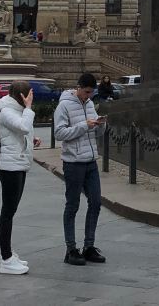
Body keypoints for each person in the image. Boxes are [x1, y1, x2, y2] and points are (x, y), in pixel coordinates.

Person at [53, 72, 106, 266]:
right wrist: (85, 125)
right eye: (86, 92)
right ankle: (71, 249)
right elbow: (59, 133)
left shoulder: (90, 104)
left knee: (96, 202)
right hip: (73, 162)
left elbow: (95, 132)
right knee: (72, 205)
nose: (88, 96)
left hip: (91, 161)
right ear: (78, 88)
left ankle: (89, 246)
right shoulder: (64, 105)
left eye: (91, 93)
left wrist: (100, 125)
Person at [0, 81, 37, 275]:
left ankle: (8, 253)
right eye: (29, 95)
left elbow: (20, 133)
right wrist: (28, 108)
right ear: (22, 96)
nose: (31, 99)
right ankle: (5, 258)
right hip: (10, 167)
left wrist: (30, 141)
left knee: (11, 211)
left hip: (18, 164)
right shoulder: (6, 111)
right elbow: (23, 127)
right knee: (8, 212)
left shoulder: (16, 110)